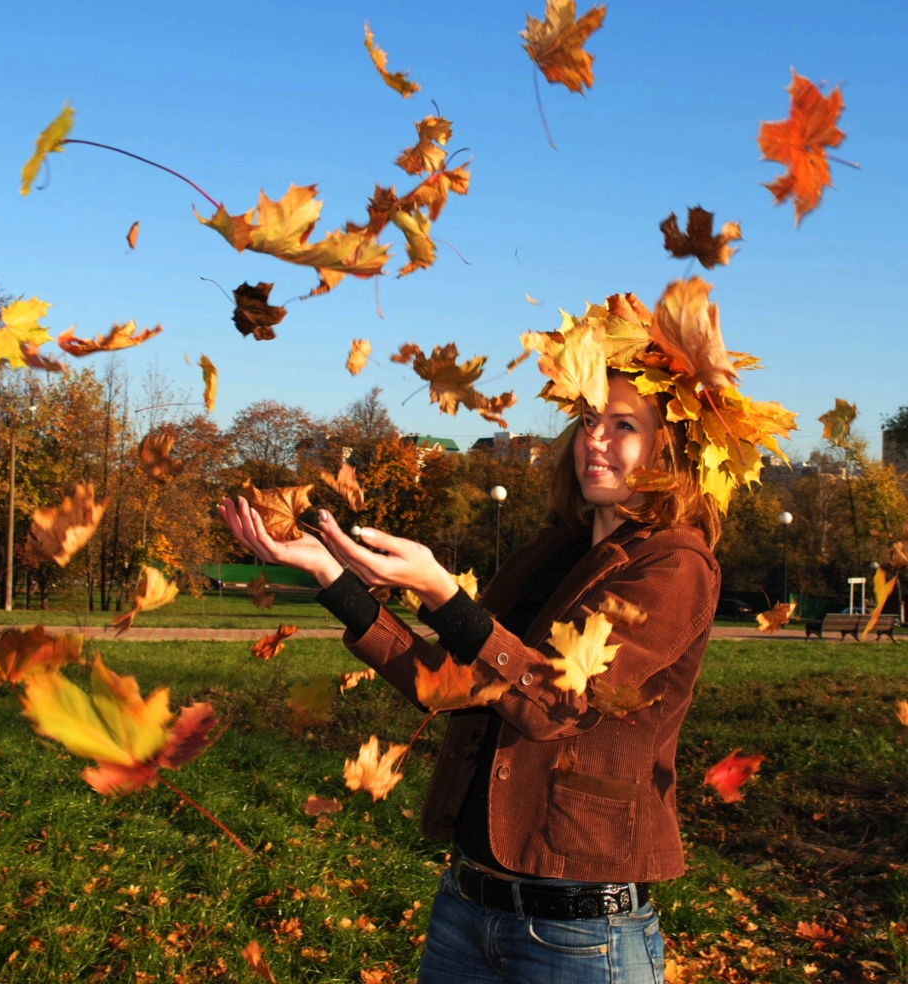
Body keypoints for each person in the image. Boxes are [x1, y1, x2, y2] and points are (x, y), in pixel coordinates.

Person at [220, 287, 794, 983]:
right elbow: (456, 686)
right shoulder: (548, 552)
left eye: (623, 426)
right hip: (468, 909)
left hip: (580, 934)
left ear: (668, 448)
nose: (595, 440)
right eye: (586, 420)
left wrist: (439, 590)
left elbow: (557, 702)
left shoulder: (675, 565)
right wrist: (333, 582)